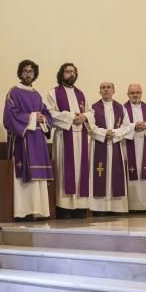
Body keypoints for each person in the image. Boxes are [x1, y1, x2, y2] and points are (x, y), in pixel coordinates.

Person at [4, 60, 54, 221]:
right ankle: (23, 211)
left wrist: (43, 118)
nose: (28, 74)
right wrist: (33, 117)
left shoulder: (37, 94)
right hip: (23, 139)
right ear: (20, 73)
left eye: (31, 71)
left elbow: (47, 115)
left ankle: (39, 211)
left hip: (37, 140)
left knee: (39, 178)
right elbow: (10, 116)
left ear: (35, 74)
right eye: (25, 71)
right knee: (25, 176)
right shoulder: (14, 92)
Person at [46, 63, 91, 218]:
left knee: (80, 171)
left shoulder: (82, 94)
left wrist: (84, 117)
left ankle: (80, 207)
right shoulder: (53, 92)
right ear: (61, 74)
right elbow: (50, 113)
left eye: (73, 72)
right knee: (64, 171)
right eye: (67, 71)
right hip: (64, 137)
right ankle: (64, 208)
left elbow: (91, 112)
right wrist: (72, 117)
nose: (70, 74)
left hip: (81, 137)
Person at [88, 81, 133, 214]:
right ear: (99, 91)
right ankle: (99, 208)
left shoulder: (120, 108)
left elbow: (126, 126)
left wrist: (114, 133)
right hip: (99, 145)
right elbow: (90, 126)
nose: (106, 90)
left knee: (115, 174)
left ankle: (115, 207)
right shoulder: (93, 107)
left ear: (114, 90)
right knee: (99, 173)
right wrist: (104, 133)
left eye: (109, 87)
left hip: (115, 144)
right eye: (103, 88)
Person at [123, 84, 146, 212]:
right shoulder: (123, 109)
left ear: (141, 93)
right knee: (132, 174)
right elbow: (121, 127)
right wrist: (134, 126)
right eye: (132, 93)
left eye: (138, 92)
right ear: (128, 94)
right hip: (129, 146)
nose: (135, 95)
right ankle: (132, 206)